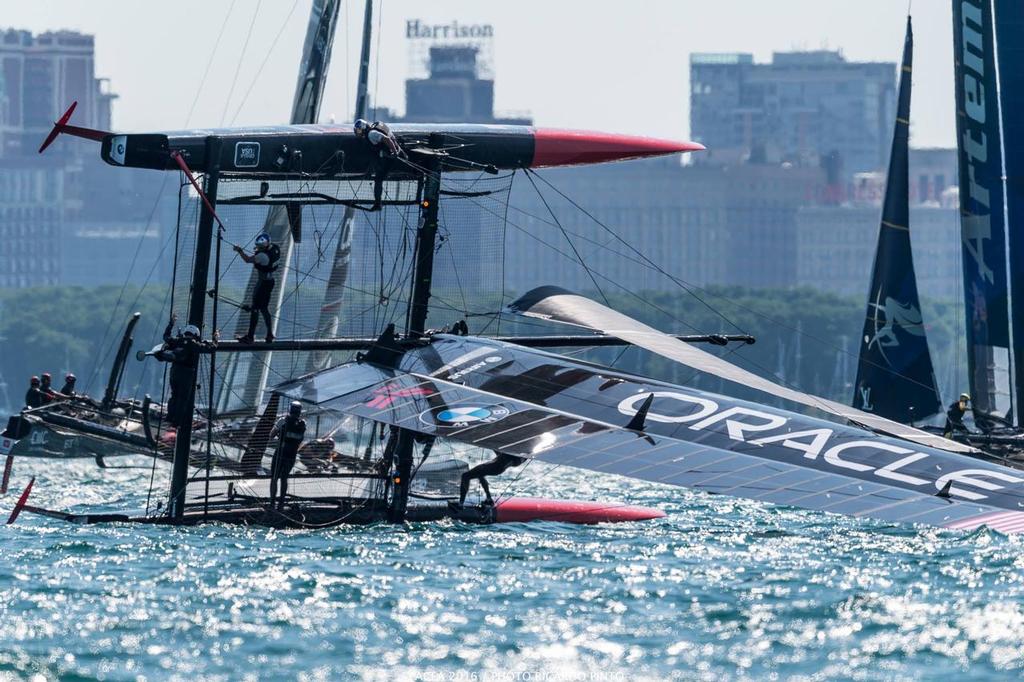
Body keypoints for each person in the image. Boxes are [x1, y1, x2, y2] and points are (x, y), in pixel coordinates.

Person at [155, 315, 210, 428]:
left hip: (174, 372)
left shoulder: (177, 340)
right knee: (182, 398)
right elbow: (211, 348)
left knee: (174, 395)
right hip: (187, 374)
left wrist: (171, 324)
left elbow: (166, 337)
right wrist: (215, 339)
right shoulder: (195, 344)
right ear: (196, 335)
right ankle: (176, 423)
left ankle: (169, 417)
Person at [234, 233, 280, 344]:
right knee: (264, 309)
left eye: (259, 246)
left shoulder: (262, 256)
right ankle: (270, 334)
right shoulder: (275, 248)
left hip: (262, 283)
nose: (258, 248)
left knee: (255, 309)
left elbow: (247, 259)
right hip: (271, 282)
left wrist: (240, 251)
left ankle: (250, 337)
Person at [354, 118, 406, 211]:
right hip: (398, 152)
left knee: (378, 180)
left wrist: (394, 153)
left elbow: (386, 139)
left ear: (363, 128)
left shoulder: (371, 134)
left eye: (359, 130)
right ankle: (378, 204)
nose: (358, 132)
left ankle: (378, 204)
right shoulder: (375, 127)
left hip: (392, 157)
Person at [269, 401, 306, 509]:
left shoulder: (282, 420)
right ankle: (281, 502)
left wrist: (279, 434)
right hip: (292, 455)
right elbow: (300, 439)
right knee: (284, 478)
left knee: (274, 478)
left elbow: (271, 435)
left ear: (290, 409)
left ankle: (272, 502)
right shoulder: (303, 423)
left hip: (280, 453)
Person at [457, 451, 527, 507]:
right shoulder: (516, 457)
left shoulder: (515, 458)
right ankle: (489, 498)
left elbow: (504, 457)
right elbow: (502, 455)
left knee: (465, 476)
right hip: (496, 468)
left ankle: (461, 504)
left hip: (494, 467)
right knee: (480, 474)